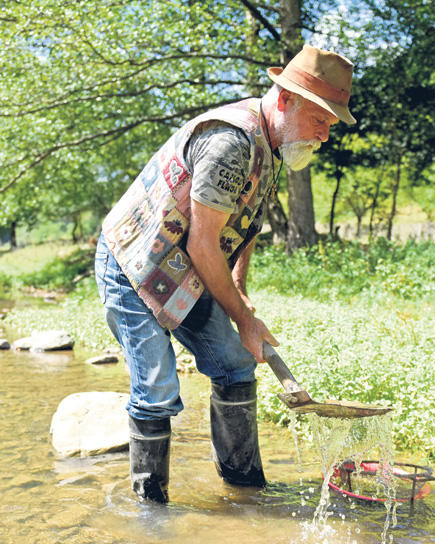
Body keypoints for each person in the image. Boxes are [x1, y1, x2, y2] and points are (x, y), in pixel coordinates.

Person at [95, 45, 356, 503]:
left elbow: (246, 220)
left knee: (235, 367)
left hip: (184, 266)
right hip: (134, 262)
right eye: (320, 118)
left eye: (331, 123)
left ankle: (244, 490)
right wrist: (243, 318)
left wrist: (238, 286)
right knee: (156, 387)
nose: (325, 134)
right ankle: (150, 509)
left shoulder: (273, 145)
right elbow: (202, 242)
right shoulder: (231, 142)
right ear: (284, 100)